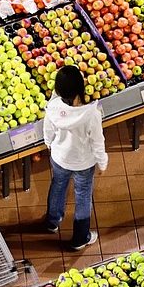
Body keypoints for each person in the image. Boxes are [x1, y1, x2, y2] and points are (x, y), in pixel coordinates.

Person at [42, 65, 107, 251]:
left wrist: (49, 144)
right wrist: (102, 162)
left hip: (60, 157)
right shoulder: (91, 114)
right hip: (83, 162)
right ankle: (80, 237)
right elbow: (97, 141)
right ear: (81, 87)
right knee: (83, 195)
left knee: (58, 184)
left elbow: (48, 131)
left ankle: (52, 221)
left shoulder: (53, 107)